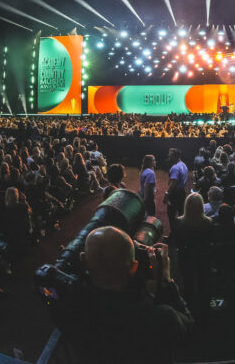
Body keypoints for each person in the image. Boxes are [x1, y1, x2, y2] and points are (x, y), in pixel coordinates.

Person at [63, 227, 193, 363]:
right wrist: (166, 281)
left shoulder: (74, 307)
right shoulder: (162, 317)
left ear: (83, 259)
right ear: (134, 267)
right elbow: (188, 331)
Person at [170, 193, 212, 316]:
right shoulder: (208, 222)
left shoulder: (178, 222)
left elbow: (175, 241)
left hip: (186, 256)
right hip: (203, 256)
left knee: (187, 282)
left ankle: (189, 308)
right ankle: (205, 308)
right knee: (203, 281)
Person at [165, 148, 189, 232]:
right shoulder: (183, 165)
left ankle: (173, 234)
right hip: (182, 192)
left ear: (175, 156)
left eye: (170, 155)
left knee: (171, 215)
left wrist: (166, 194)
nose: (169, 156)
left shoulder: (175, 168)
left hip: (175, 194)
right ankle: (180, 233)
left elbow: (173, 183)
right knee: (181, 214)